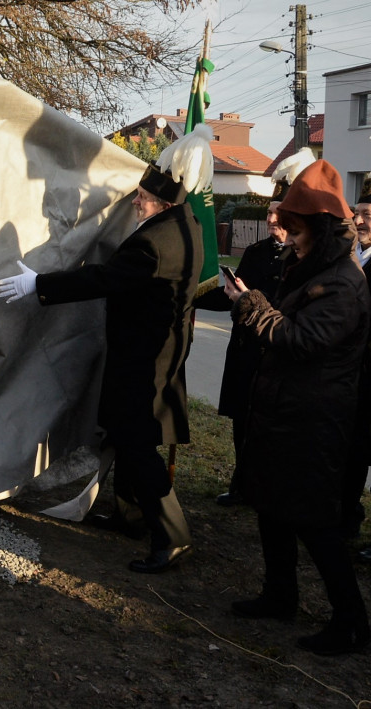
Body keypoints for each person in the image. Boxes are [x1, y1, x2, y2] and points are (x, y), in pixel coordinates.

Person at [0, 126, 214, 573]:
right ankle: (130, 516)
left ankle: (174, 536)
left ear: (164, 203)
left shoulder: (155, 243)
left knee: (136, 445)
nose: (136, 202)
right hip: (150, 353)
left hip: (146, 361)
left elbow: (101, 279)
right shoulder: (181, 225)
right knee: (126, 434)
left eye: (143, 199)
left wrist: (38, 283)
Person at [224, 159, 370, 656]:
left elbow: (301, 339)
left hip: (314, 421)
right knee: (270, 506)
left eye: (297, 229)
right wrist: (258, 301)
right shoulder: (310, 268)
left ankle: (350, 620)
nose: (288, 236)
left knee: (314, 522)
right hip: (284, 413)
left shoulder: (344, 284)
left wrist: (253, 307)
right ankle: (280, 593)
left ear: (322, 231)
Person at [192, 148, 315, 506]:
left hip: (274, 350)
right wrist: (190, 296)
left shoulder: (303, 259)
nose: (272, 222)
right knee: (241, 422)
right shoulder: (257, 251)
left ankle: (267, 489)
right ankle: (241, 485)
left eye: (278, 216)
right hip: (245, 348)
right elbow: (234, 291)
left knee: (271, 427)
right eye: (269, 216)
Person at [344, 191, 371, 544]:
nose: (359, 221)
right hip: (350, 378)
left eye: (367, 214)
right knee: (350, 455)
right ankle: (346, 524)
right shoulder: (351, 259)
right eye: (356, 213)